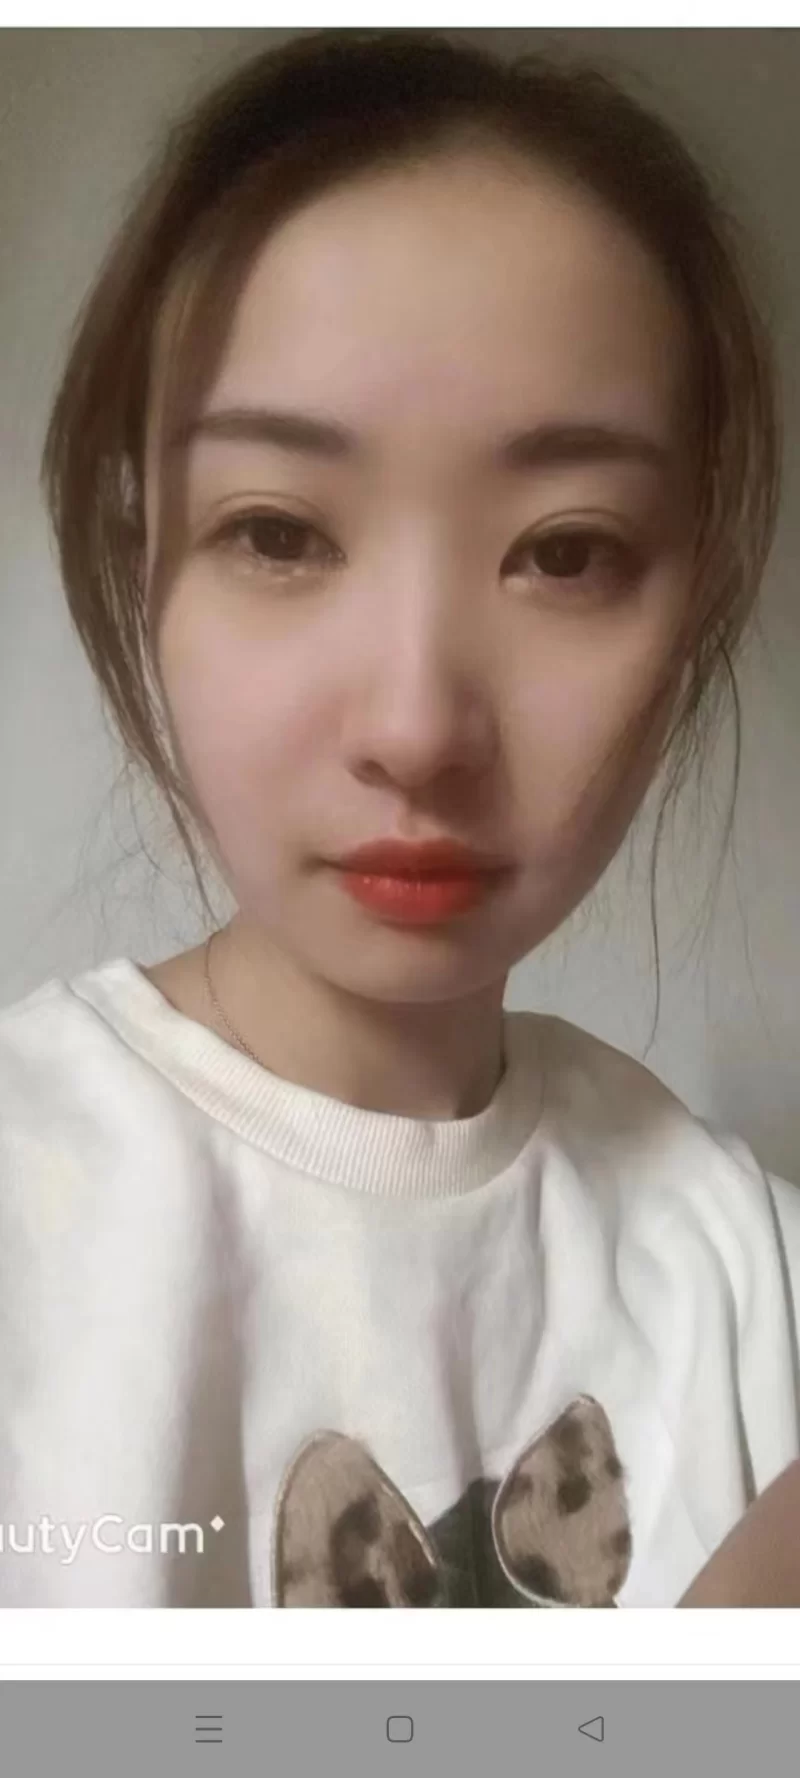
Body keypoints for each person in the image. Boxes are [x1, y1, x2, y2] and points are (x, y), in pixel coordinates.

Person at [0, 26, 797, 1608]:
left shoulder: (745, 1265)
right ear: (143, 554)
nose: (419, 727)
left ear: (694, 594)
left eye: (565, 552)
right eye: (279, 532)